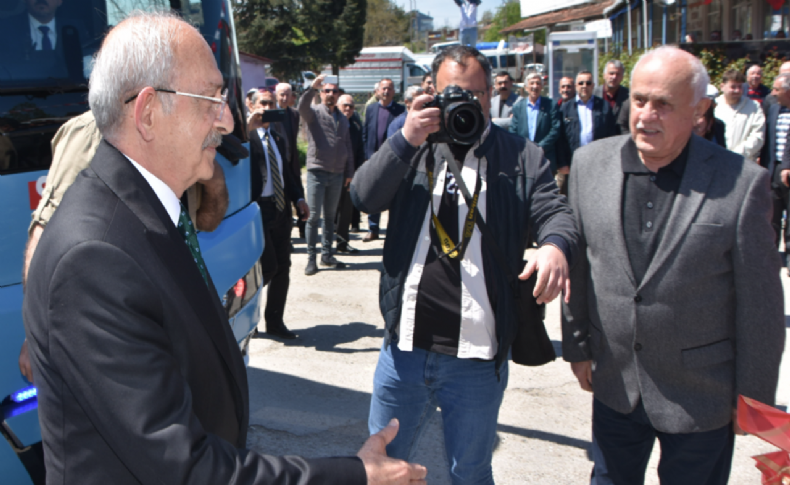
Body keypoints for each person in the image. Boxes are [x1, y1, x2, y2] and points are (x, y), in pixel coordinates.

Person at [22, 11, 426, 484]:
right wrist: (356, 476)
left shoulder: (143, 209)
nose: (229, 119)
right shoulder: (96, 257)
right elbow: (184, 468)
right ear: (148, 112)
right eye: (211, 99)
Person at [352, 44, 578, 485]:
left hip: (476, 358)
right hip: (405, 350)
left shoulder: (521, 156)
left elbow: (555, 212)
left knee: (471, 472)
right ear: (432, 93)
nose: (465, 104)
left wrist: (555, 246)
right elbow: (363, 196)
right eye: (453, 93)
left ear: (492, 94)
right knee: (381, 468)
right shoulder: (413, 145)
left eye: (475, 94)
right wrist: (405, 138)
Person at [562, 46, 784, 485]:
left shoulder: (742, 184)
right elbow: (579, 266)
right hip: (616, 383)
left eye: (663, 104)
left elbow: (761, 305)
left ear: (699, 110)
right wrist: (578, 345)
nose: (646, 116)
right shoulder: (589, 166)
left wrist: (753, 398)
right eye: (640, 100)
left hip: (702, 395)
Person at [18, 107, 231, 382]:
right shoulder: (96, 128)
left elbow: (208, 221)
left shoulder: (182, 128)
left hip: (175, 316)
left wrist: (214, 177)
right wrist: (38, 333)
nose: (225, 118)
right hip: (115, 324)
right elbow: (47, 232)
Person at [248, 90, 309, 340]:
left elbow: (287, 173)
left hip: (281, 208)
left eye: (271, 104)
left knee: (283, 267)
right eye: (263, 103)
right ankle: (246, 318)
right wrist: (249, 125)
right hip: (257, 210)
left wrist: (299, 198)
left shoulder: (278, 138)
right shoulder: (245, 138)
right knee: (267, 267)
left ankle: (275, 322)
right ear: (251, 106)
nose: (267, 108)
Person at [297, 74, 355, 275]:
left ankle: (327, 255)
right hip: (317, 171)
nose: (331, 94)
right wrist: (312, 88)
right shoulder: (314, 113)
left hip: (337, 174)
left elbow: (347, 145)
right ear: (321, 94)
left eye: (334, 91)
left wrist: (349, 172)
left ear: (338, 95)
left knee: (330, 217)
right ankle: (311, 259)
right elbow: (302, 107)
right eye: (327, 91)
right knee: (313, 217)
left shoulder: (343, 118)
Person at [556, 70, 613, 194]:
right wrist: (562, 163)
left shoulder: (604, 106)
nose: (584, 86)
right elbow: (560, 139)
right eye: (581, 83)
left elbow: (611, 136)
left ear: (593, 86)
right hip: (573, 163)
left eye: (588, 83)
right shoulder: (565, 108)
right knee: (573, 197)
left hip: (598, 162)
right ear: (576, 86)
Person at [362, 77, 405, 242]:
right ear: (378, 91)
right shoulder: (371, 109)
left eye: (389, 88)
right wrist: (366, 157)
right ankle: (373, 229)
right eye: (384, 88)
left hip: (393, 159)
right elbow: (365, 134)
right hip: (374, 158)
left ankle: (393, 229)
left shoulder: (400, 110)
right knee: (375, 193)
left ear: (394, 92)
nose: (386, 91)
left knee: (394, 194)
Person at [760, 73, 790, 250]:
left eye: (777, 89)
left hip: (788, 171)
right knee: (772, 218)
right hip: (773, 170)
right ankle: (772, 256)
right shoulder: (773, 108)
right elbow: (767, 141)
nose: (772, 93)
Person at [509, 72, 561, 172]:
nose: (535, 86)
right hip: (524, 157)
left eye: (538, 83)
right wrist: (524, 148)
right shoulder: (518, 107)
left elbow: (555, 129)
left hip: (545, 157)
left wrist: (540, 148)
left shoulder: (551, 105)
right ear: (526, 87)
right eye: (532, 83)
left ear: (542, 87)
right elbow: (513, 131)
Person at [713, 69, 765, 164]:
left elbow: (758, 136)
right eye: (733, 87)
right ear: (722, 87)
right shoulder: (714, 106)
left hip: (744, 162)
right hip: (716, 160)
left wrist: (734, 155)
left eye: (740, 87)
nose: (737, 90)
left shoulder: (754, 106)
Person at [275, 82, 305, 238]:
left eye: (288, 94)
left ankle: (303, 229)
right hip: (277, 165)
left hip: (292, 163)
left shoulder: (294, 114)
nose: (285, 98)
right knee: (284, 201)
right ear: (276, 95)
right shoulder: (271, 114)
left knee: (299, 196)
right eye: (282, 94)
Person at [335, 94, 365, 254]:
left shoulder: (356, 126)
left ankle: (342, 242)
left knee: (346, 210)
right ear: (338, 106)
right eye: (345, 105)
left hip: (350, 174)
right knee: (330, 211)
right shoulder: (332, 123)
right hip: (332, 172)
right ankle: (326, 247)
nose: (348, 109)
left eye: (351, 106)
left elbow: (360, 151)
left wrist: (356, 173)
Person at [594, 60, 629, 135]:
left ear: (622, 77)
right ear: (604, 75)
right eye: (611, 73)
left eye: (618, 74)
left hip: (621, 138)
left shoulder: (629, 96)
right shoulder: (593, 95)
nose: (614, 77)